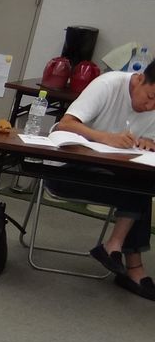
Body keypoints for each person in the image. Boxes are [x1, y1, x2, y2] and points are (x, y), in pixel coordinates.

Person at [48, 61, 155, 300]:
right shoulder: (109, 85)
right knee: (139, 190)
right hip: (66, 169)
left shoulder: (152, 105)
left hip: (111, 173)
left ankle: (115, 248)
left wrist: (150, 142)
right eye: (150, 97)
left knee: (143, 182)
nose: (150, 106)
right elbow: (66, 123)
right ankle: (130, 264)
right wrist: (104, 137)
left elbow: (150, 138)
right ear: (139, 79)